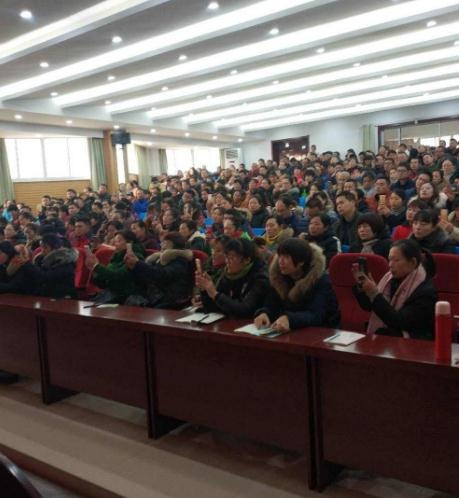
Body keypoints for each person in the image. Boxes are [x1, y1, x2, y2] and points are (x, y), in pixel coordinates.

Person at [352, 239, 436, 339]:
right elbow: (368, 306)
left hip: (416, 341)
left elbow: (400, 322)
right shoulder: (389, 280)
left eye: (396, 260)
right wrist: (362, 287)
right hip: (391, 337)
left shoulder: (425, 291)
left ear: (413, 262)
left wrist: (373, 293)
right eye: (390, 260)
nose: (390, 265)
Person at [254, 239, 340, 333]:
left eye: (286, 257)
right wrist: (265, 313)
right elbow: (271, 304)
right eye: (280, 256)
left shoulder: (321, 281)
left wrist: (290, 319)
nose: (280, 261)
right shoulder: (279, 278)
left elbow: (316, 315)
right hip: (286, 332)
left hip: (320, 333)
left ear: (301, 262)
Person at [195, 238, 269, 318]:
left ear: (247, 260)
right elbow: (214, 307)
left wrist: (215, 294)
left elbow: (245, 309)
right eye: (226, 257)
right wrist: (205, 290)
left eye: (231, 258)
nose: (227, 262)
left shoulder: (260, 278)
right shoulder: (228, 274)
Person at [125, 232, 194, 309]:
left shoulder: (180, 260)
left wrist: (138, 263)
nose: (161, 245)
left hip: (169, 300)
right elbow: (146, 278)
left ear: (172, 245)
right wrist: (133, 267)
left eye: (164, 243)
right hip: (153, 297)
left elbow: (161, 275)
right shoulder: (157, 258)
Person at [85, 230, 144, 304]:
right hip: (111, 294)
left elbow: (118, 276)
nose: (115, 243)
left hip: (126, 297)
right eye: (115, 241)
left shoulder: (136, 257)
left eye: (119, 241)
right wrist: (94, 270)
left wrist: (96, 266)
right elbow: (104, 283)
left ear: (130, 243)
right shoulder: (116, 256)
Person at [33, 233, 78, 299]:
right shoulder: (41, 259)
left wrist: (27, 264)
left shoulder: (65, 261)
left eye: (45, 247)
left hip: (63, 298)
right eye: (41, 247)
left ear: (55, 247)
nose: (42, 250)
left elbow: (45, 276)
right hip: (48, 296)